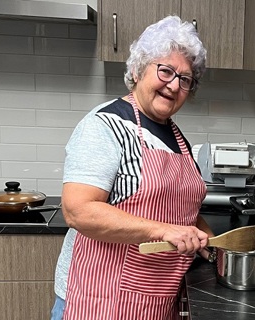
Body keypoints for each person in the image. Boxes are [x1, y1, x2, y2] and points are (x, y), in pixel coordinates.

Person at [50, 15, 214, 320]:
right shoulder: (104, 127)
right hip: (101, 297)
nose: (174, 85)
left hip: (156, 299)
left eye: (185, 79)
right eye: (165, 71)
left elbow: (175, 205)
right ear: (139, 70)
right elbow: (78, 210)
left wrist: (208, 240)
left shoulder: (177, 137)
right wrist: (163, 230)